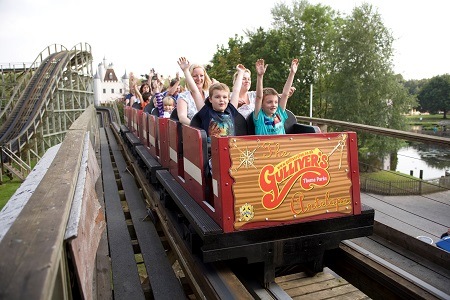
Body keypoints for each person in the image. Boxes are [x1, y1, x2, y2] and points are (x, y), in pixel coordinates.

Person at [187, 64, 246, 137]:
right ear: (210, 99)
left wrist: (241, 72)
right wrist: (186, 71)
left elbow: (236, 91)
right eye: (217, 97)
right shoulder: (206, 112)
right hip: (211, 147)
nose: (221, 100)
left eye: (224, 97)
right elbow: (195, 91)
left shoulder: (231, 110)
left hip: (229, 147)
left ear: (228, 99)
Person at [253, 58, 299, 135]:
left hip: (281, 145)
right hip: (265, 146)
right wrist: (260, 76)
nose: (273, 105)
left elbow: (285, 94)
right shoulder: (259, 116)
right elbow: (259, 97)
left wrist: (292, 73)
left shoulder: (279, 114)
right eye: (269, 102)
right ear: (262, 105)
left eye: (276, 102)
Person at [176, 57, 212, 125]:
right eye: (195, 76)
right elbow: (182, 118)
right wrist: (198, 127)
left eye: (201, 76)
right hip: (192, 131)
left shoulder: (210, 94)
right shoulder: (184, 97)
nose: (199, 79)